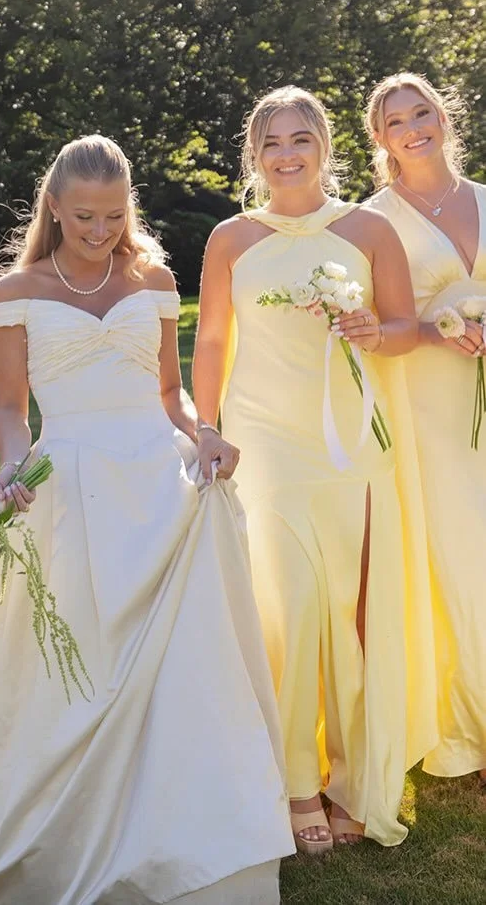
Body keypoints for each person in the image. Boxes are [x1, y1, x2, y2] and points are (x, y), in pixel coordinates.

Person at [0, 135, 293, 905]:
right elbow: (10, 409)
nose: (99, 230)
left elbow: (169, 394)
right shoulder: (17, 291)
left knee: (179, 655)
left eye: (112, 215)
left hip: (158, 481)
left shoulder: (154, 280)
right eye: (83, 216)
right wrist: (13, 461)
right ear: (53, 206)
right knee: (78, 652)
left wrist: (203, 433)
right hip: (71, 482)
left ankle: (178, 809)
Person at [193, 86, 436, 851]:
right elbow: (210, 340)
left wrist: (374, 330)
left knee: (351, 610)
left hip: (350, 445)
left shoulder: (367, 229)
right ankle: (296, 778)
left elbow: (404, 328)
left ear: (324, 145)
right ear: (254, 155)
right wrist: (206, 427)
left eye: (299, 138)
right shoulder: (230, 238)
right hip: (264, 442)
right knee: (291, 607)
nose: (286, 154)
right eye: (270, 143)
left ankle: (354, 779)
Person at [365, 72, 486, 780]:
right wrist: (439, 326)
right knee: (458, 550)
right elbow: (375, 323)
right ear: (380, 139)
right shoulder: (373, 221)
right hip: (426, 403)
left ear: (443, 116)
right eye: (395, 122)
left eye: (421, 114)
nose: (412, 130)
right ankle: (468, 721)